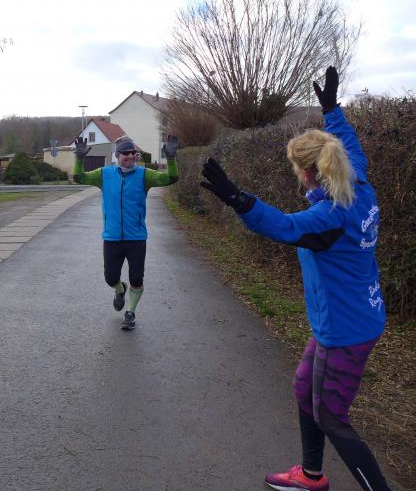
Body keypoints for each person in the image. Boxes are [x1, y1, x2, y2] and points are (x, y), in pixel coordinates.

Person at [200, 67, 389, 491]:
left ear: (306, 173)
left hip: (345, 329)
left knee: (331, 417)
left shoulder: (329, 217)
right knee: (305, 390)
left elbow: (285, 227)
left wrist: (239, 200)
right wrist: (332, 111)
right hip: (351, 317)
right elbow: (351, 143)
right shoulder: (358, 180)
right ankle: (311, 476)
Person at [72, 134, 179, 330]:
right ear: (117, 155)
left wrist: (171, 159)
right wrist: (79, 159)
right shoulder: (104, 174)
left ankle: (130, 313)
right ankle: (120, 290)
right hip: (112, 237)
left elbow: (170, 178)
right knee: (110, 278)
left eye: (133, 153)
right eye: (126, 153)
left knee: (136, 278)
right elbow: (79, 178)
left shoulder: (144, 175)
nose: (130, 156)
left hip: (136, 238)